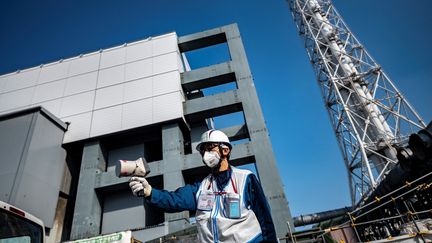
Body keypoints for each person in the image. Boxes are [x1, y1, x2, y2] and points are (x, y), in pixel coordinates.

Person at [129, 129, 277, 242]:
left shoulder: (245, 179)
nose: (205, 153)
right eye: (202, 150)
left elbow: (264, 219)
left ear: (225, 150)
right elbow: (175, 199)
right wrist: (149, 192)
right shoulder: (202, 187)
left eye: (210, 147)